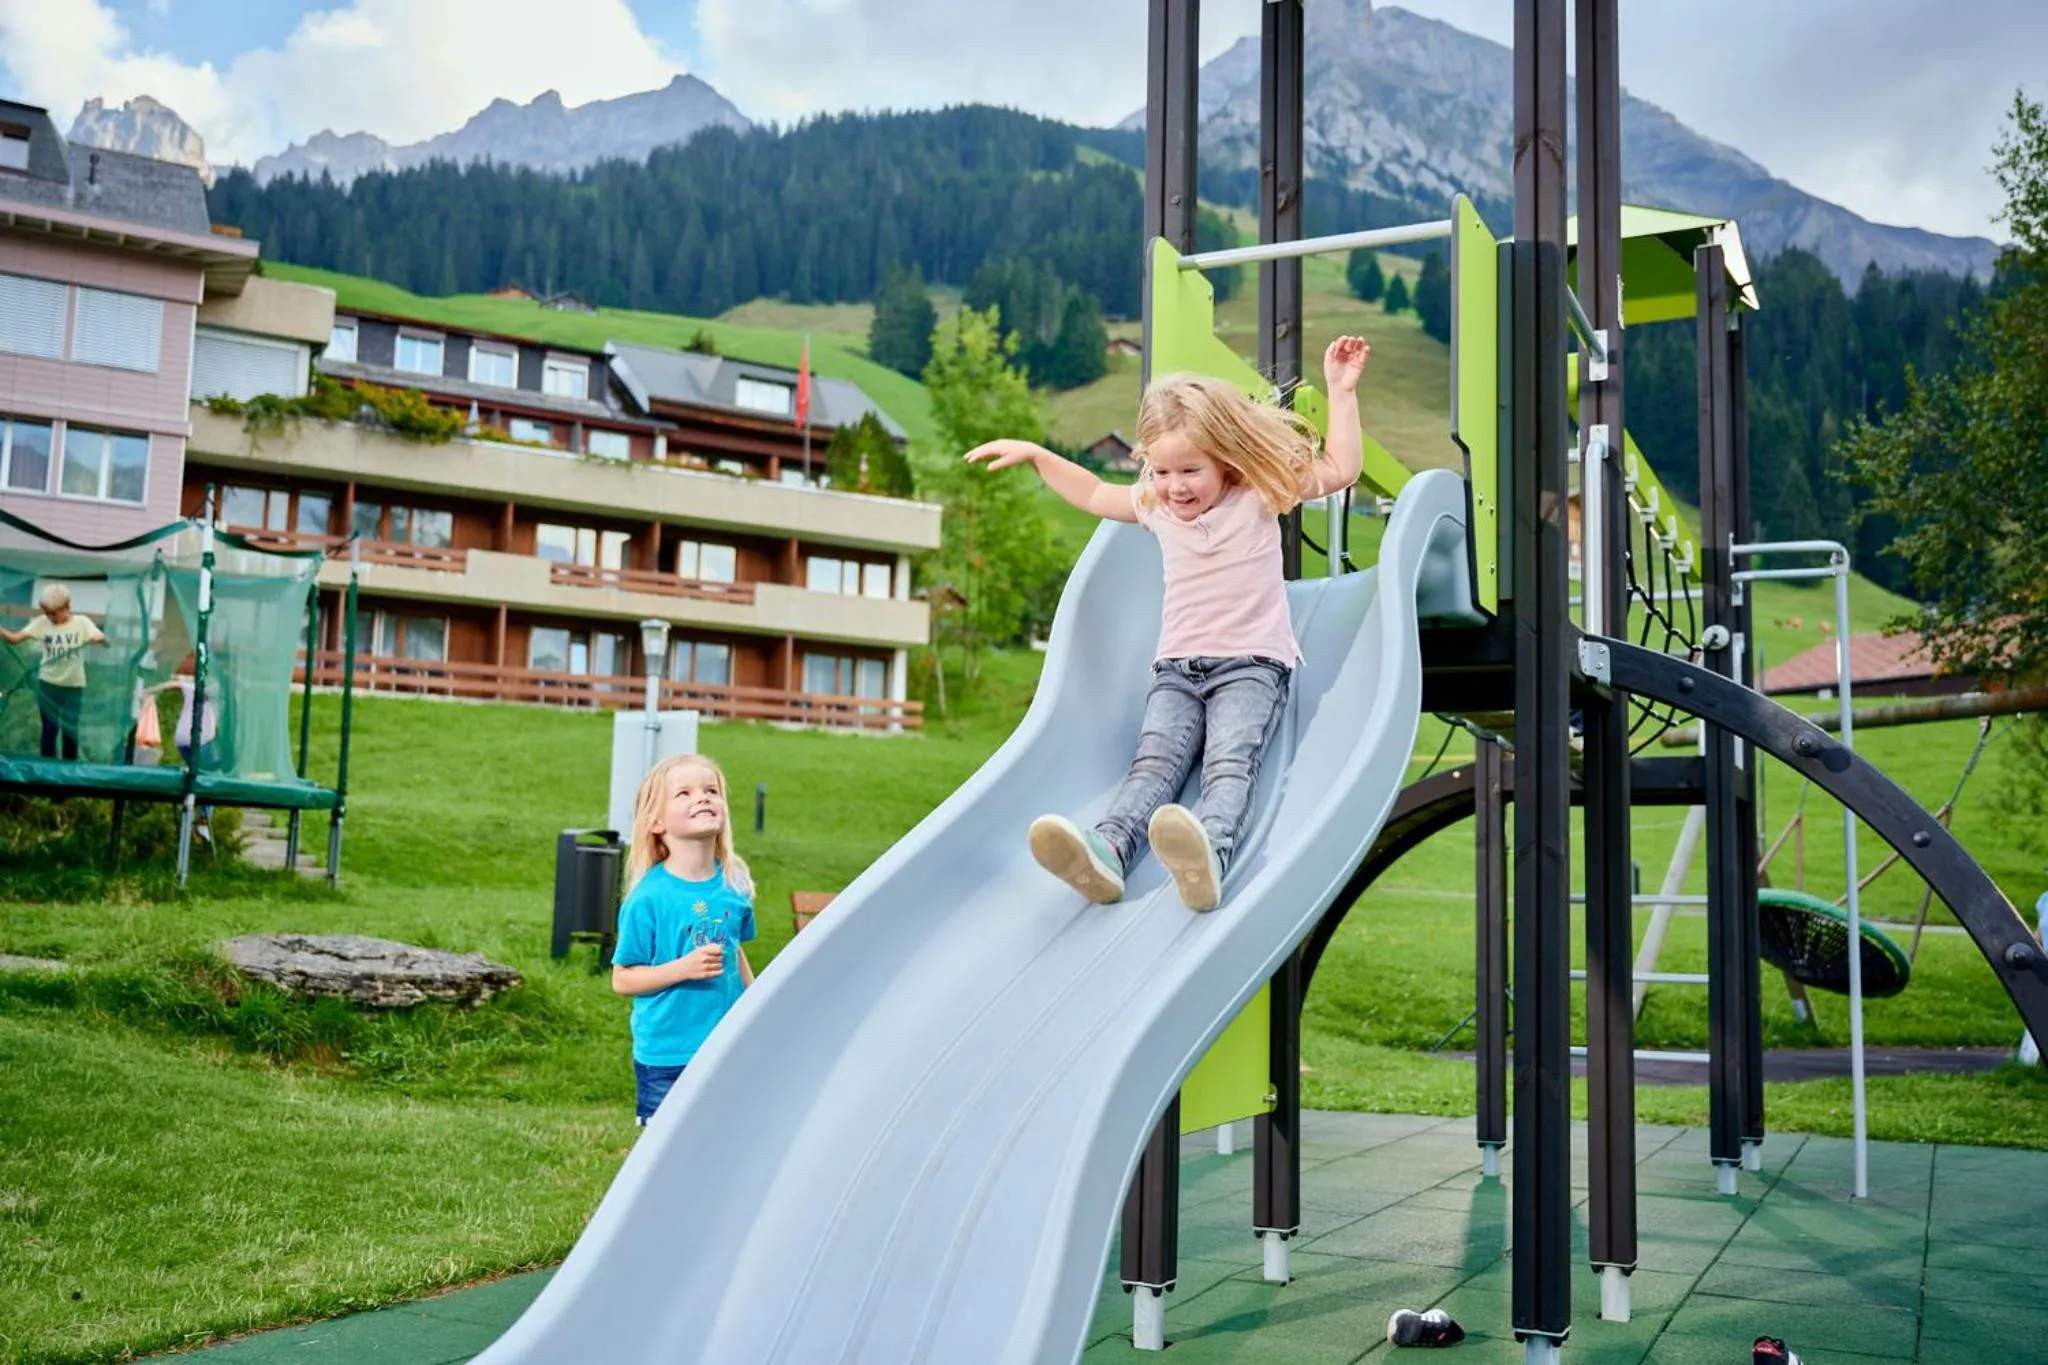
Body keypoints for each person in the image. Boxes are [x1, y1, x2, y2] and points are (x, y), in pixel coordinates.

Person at [965, 336, 1370, 911]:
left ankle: (1211, 852)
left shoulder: (1257, 495)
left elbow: (1340, 469)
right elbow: (1095, 491)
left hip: (1252, 665)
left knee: (1230, 761)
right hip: (1176, 669)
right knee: (1152, 763)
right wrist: (1037, 454)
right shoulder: (1155, 506)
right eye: (1160, 471)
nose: (1175, 486)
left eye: (1190, 470)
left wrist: (1341, 392)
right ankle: (1106, 853)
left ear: (1224, 461)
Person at [610, 753, 757, 1127]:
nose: (703, 798)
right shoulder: (649, 898)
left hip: (726, 1044)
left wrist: (756, 1001)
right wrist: (683, 968)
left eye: (711, 790)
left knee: (726, 1138)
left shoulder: (732, 886)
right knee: (665, 1157)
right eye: (685, 793)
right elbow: (623, 979)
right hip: (668, 1054)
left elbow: (734, 948)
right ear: (657, 822)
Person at [1, 584, 108, 761]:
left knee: (70, 731)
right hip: (48, 686)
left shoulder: (82, 622)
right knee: (49, 730)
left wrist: (101, 638)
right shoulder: (42, 623)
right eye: (48, 613)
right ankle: (47, 771)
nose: (52, 617)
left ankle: (69, 772)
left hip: (73, 687)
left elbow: (101, 640)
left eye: (55, 613)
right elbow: (14, 639)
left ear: (67, 607)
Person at [142, 659, 223, 842]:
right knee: (214, 777)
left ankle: (195, 809)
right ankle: (201, 820)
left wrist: (148, 691)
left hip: (182, 741)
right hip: (199, 741)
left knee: (200, 775)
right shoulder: (212, 692)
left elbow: (173, 683)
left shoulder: (191, 688)